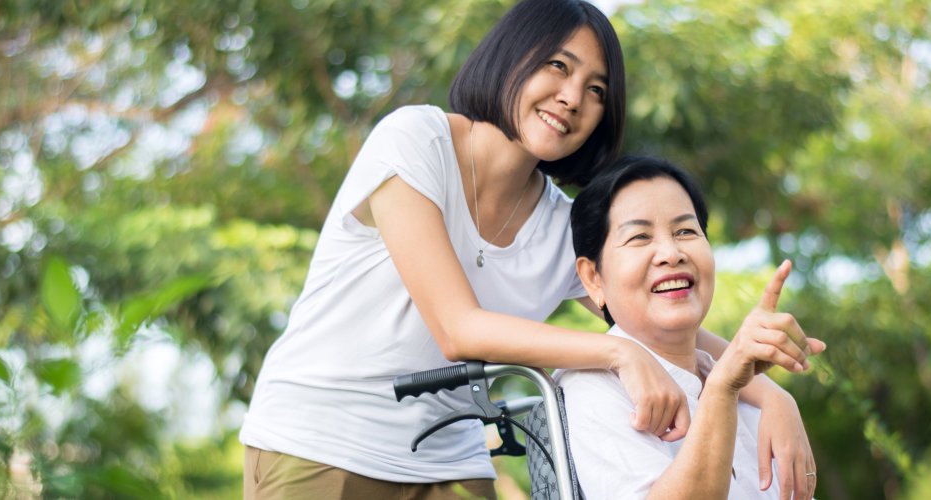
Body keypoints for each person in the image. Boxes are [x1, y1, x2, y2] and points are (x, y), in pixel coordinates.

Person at [238, 1, 820, 498]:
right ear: (510, 58)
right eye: (557, 67)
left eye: (596, 90)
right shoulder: (416, 142)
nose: (572, 98)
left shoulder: (559, 226)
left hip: (450, 458)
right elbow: (457, 328)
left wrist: (769, 396)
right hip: (320, 441)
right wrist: (617, 356)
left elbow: (652, 322)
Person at [558, 155, 826, 499]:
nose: (671, 253)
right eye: (639, 237)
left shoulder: (750, 391)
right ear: (593, 279)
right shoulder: (594, 387)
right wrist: (722, 390)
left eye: (686, 231)